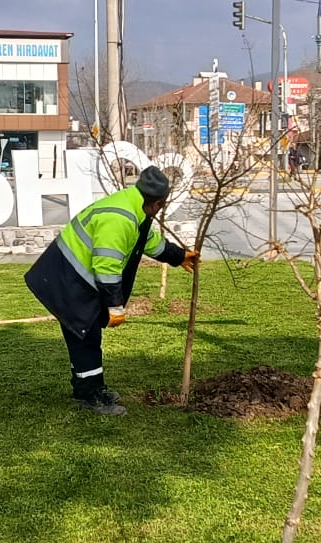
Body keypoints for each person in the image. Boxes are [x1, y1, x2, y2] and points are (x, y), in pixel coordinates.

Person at [23, 164, 196, 416]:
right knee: (84, 336)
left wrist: (178, 257)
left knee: (87, 336)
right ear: (157, 203)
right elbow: (106, 267)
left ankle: (91, 387)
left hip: (74, 277)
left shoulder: (135, 209)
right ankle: (88, 395)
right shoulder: (121, 219)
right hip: (67, 279)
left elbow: (149, 242)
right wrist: (115, 308)